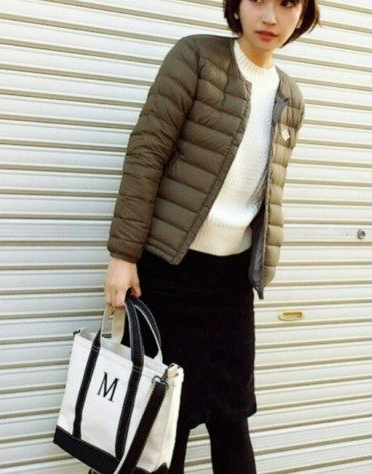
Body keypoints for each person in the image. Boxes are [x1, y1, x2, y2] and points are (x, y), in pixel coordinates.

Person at [104, 1, 321, 472]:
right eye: (258, 0)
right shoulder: (196, 59)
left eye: (287, 4)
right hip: (169, 273)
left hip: (231, 284)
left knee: (232, 418)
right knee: (165, 425)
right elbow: (147, 152)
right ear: (236, 5)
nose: (270, 17)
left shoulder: (291, 97)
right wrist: (123, 255)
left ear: (302, 13)